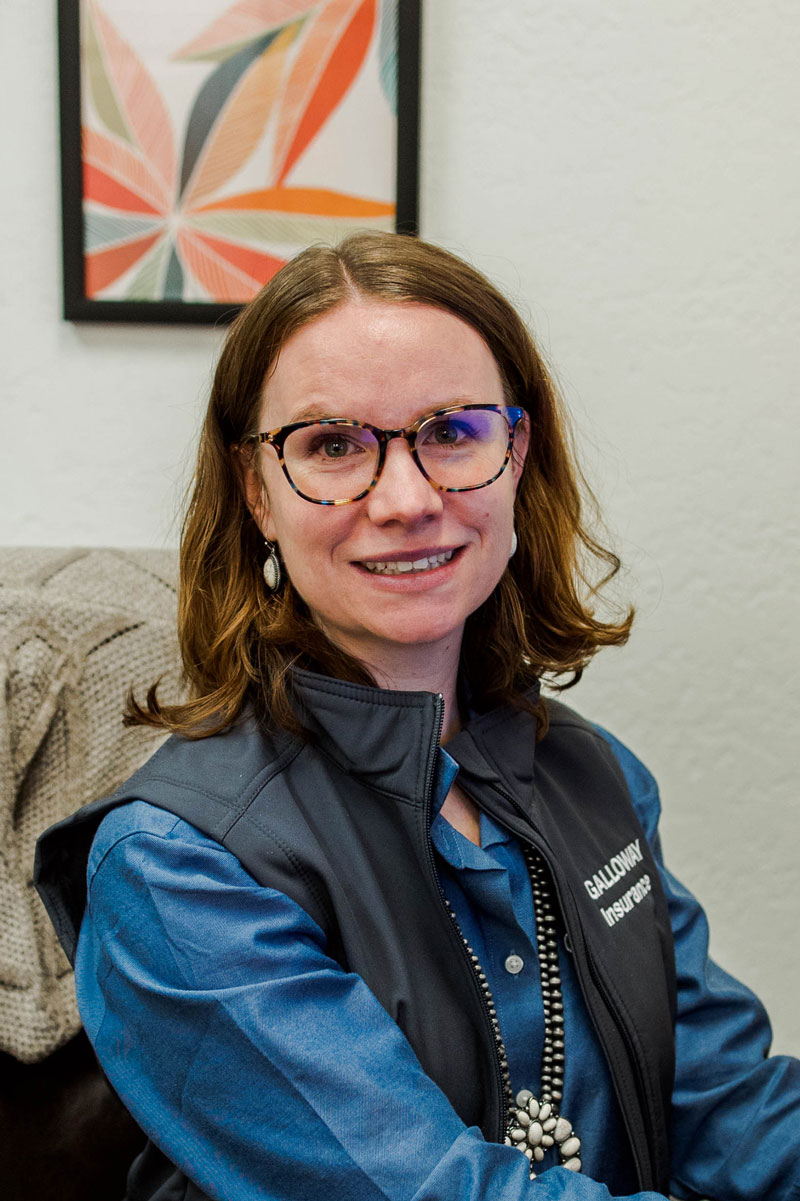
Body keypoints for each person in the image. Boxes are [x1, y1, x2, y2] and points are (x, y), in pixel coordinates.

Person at [35, 232, 799, 1201]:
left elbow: (725, 1109)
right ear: (254, 491)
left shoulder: (596, 779)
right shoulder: (174, 865)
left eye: (451, 432)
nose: (404, 498)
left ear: (514, 454)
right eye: (332, 445)